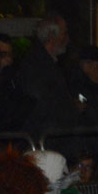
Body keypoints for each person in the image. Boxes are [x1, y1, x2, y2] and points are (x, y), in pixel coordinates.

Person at [17, 14, 77, 142]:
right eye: (64, 33)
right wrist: (70, 108)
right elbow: (45, 102)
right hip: (45, 137)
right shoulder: (37, 65)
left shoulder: (44, 63)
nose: (67, 39)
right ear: (52, 36)